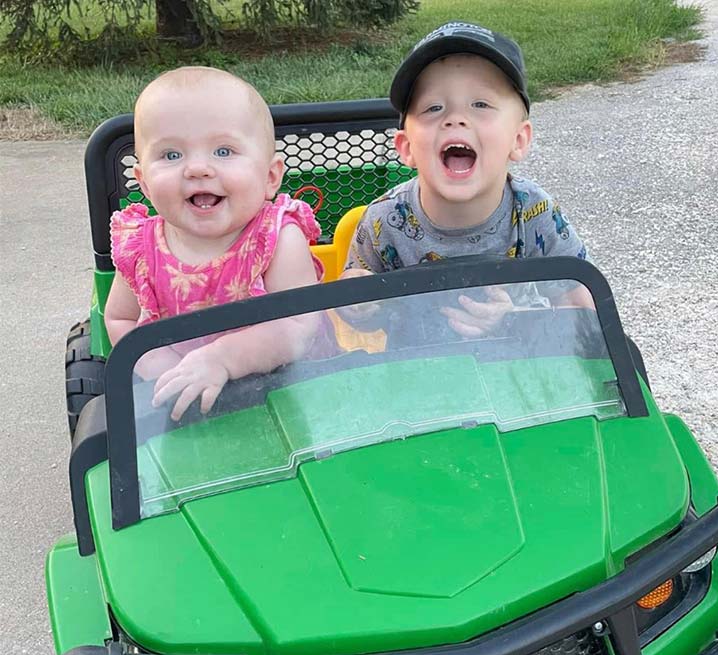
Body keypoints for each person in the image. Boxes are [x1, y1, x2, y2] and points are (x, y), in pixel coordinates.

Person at [341, 22, 593, 338]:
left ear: (518, 139)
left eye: (480, 104)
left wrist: (515, 320)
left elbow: (584, 309)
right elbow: (359, 315)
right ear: (406, 148)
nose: (455, 118)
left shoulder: (535, 213)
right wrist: (357, 304)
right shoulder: (384, 222)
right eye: (434, 107)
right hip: (416, 373)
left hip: (521, 369)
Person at [105, 66, 326, 420]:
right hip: (189, 406)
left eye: (223, 151)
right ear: (144, 184)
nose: (197, 169)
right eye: (172, 155)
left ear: (270, 177)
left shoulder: (278, 238)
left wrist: (222, 359)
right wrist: (166, 369)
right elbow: (120, 318)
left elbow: (298, 326)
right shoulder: (140, 249)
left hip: (291, 392)